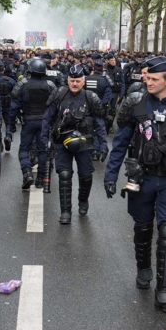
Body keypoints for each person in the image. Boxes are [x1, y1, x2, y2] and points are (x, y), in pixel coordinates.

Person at [104, 56, 166, 314]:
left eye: (154, 79)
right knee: (143, 228)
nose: (148, 82)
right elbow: (121, 143)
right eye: (147, 78)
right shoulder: (134, 103)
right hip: (142, 178)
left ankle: (164, 291)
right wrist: (111, 175)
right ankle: (143, 268)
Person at [42, 64, 107, 224]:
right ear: (68, 81)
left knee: (86, 176)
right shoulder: (60, 94)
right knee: (64, 175)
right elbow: (47, 118)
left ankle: (83, 200)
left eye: (78, 81)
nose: (75, 84)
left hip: (84, 142)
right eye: (72, 81)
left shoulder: (91, 98)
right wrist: (45, 140)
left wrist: (103, 144)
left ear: (83, 81)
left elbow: (99, 123)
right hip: (62, 141)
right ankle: (65, 212)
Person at [11, 58, 57, 189]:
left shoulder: (23, 84)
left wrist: (11, 123)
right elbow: (55, 105)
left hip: (28, 121)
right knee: (43, 151)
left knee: (24, 149)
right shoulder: (50, 85)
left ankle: (27, 173)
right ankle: (41, 179)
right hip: (44, 123)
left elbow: (14, 105)